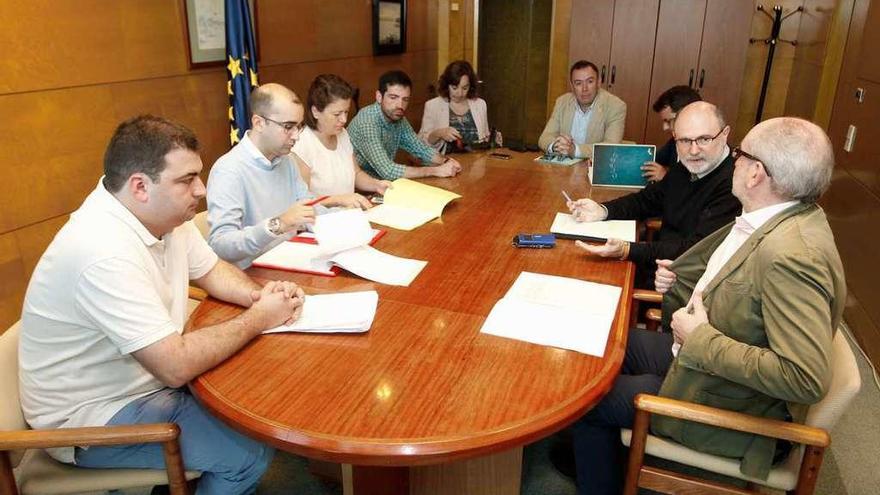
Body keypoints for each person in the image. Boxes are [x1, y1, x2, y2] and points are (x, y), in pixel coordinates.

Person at [18, 115, 304, 494]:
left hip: (141, 382)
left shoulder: (160, 215)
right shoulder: (101, 250)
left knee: (261, 397)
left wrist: (262, 297)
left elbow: (213, 270)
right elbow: (175, 365)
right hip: (90, 419)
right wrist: (257, 319)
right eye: (187, 180)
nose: (201, 190)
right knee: (248, 454)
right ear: (140, 186)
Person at [569, 116, 845, 494]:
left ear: (756, 174)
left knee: (586, 398)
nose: (735, 161)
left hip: (733, 405)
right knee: (599, 340)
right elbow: (740, 295)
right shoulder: (778, 219)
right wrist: (680, 281)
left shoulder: (792, 256)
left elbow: (804, 377)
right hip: (708, 369)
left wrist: (698, 339)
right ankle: (602, 459)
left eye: (741, 155)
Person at [568, 101, 741, 288]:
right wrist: (603, 210)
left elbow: (694, 249)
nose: (693, 150)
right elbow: (647, 200)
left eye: (704, 139)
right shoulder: (687, 165)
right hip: (657, 261)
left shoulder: (735, 184)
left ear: (724, 135)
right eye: (684, 141)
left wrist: (627, 249)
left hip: (681, 281)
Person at [207, 83, 371, 269]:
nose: (296, 136)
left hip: (292, 261)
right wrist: (278, 224)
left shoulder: (285, 160)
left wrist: (348, 220)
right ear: (259, 123)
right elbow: (221, 245)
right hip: (252, 275)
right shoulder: (229, 170)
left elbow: (309, 207)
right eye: (288, 127)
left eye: (298, 126)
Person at [348, 70, 463, 180]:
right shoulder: (367, 122)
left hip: (380, 185)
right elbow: (388, 171)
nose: (400, 105)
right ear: (379, 97)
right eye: (393, 97)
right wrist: (435, 171)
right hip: (355, 189)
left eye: (405, 99)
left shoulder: (397, 117)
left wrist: (446, 162)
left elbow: (421, 149)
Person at [293, 74, 392, 196]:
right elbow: (303, 198)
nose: (344, 119)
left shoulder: (342, 134)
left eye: (346, 112)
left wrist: (376, 185)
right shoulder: (302, 144)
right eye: (337, 114)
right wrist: (341, 200)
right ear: (316, 111)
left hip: (349, 212)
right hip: (323, 214)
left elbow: (356, 174)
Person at [538, 60, 626, 160]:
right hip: (563, 168)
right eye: (578, 83)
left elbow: (610, 148)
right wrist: (556, 145)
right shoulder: (562, 102)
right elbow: (544, 138)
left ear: (598, 82)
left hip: (593, 168)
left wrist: (575, 150)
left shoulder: (615, 106)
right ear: (572, 86)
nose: (584, 89)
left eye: (590, 82)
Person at [418, 60, 500, 151]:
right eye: (454, 88)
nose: (460, 93)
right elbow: (421, 144)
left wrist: (493, 140)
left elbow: (485, 139)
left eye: (465, 88)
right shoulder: (433, 106)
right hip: (445, 162)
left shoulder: (480, 104)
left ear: (471, 86)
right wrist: (439, 133)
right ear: (447, 85)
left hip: (477, 161)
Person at [641, 85, 702, 182]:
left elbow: (696, 189)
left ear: (687, 115)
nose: (664, 128)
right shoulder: (674, 142)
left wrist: (665, 176)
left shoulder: (706, 149)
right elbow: (654, 161)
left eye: (668, 121)